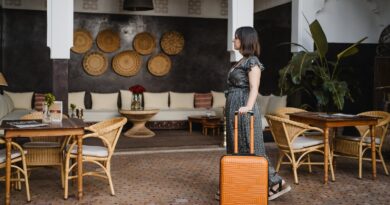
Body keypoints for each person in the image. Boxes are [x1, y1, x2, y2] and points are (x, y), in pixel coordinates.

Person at [217, 26, 291, 201]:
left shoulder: (253, 62)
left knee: (252, 148)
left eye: (236, 38)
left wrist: (248, 108)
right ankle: (236, 184)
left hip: (244, 110)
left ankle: (276, 183)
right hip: (236, 108)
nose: (233, 41)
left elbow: (254, 88)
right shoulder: (241, 61)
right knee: (236, 148)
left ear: (245, 40)